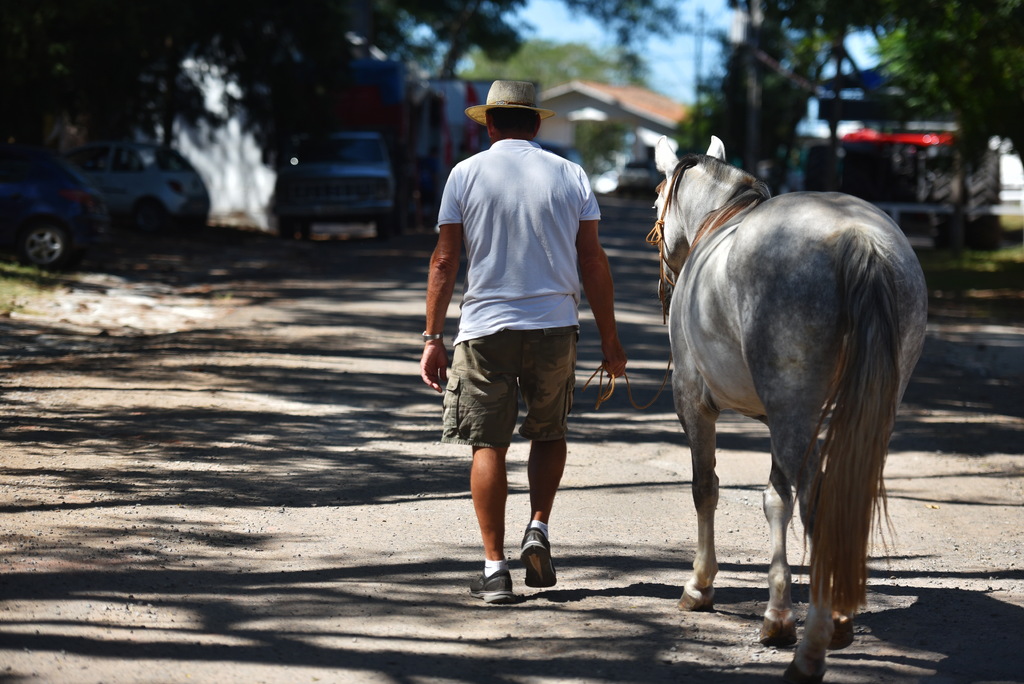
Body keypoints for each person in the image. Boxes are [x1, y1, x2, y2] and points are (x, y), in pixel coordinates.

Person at [419, 80, 628, 604]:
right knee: (548, 430)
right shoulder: (570, 174)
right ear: (536, 124)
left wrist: (432, 337)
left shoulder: (464, 174)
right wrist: (610, 339)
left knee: (488, 443)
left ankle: (495, 569)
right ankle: (538, 528)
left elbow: (445, 260)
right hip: (556, 326)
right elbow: (592, 261)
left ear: (489, 123)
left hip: (484, 329)